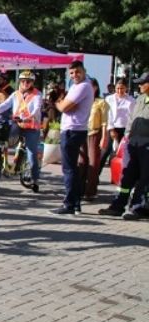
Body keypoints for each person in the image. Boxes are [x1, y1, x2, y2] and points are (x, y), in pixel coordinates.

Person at [98, 72, 149, 220]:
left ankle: (138, 207)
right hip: (133, 144)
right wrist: (127, 137)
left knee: (145, 178)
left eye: (142, 83)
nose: (139, 85)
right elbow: (131, 120)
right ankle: (117, 206)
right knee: (126, 177)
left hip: (147, 146)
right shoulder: (140, 99)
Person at [50, 60, 95, 215]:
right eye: (71, 73)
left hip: (73, 130)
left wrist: (59, 103)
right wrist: (65, 104)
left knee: (68, 169)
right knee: (72, 169)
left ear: (84, 71)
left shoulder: (83, 86)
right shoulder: (78, 86)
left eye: (77, 72)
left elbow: (63, 107)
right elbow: (68, 106)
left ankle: (69, 204)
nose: (74, 75)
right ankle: (75, 204)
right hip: (73, 130)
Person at [0, 70, 43, 192]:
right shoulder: (15, 94)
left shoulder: (37, 95)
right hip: (18, 124)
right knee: (5, 139)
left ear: (32, 83)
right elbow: (5, 104)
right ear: (20, 82)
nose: (26, 83)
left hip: (31, 127)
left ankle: (35, 179)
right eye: (23, 81)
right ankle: (1, 163)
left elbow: (37, 109)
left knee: (32, 154)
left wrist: (29, 117)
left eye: (29, 81)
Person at [101, 78, 135, 173]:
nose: (120, 91)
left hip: (125, 129)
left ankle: (120, 175)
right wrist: (111, 129)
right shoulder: (109, 99)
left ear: (126, 88)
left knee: (124, 153)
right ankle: (95, 175)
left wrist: (129, 132)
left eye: (122, 88)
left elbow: (131, 116)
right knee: (106, 151)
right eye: (118, 88)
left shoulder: (131, 100)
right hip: (112, 127)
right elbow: (108, 114)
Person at [83, 79, 108, 200]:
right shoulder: (82, 101)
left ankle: (91, 191)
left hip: (94, 133)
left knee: (93, 163)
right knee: (81, 162)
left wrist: (104, 137)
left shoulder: (101, 102)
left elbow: (104, 122)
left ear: (96, 88)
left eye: (91, 86)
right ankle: (80, 188)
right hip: (82, 133)